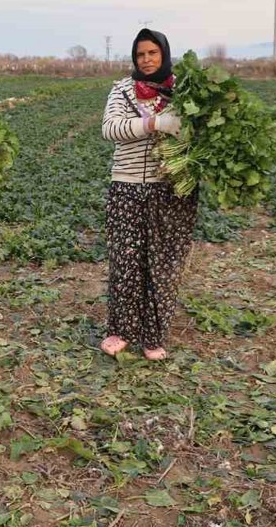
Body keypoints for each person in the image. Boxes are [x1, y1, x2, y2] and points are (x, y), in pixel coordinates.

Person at [99, 28, 197, 361]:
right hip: (127, 186)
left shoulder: (183, 90)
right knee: (126, 260)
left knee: (164, 264)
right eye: (140, 54)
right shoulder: (123, 90)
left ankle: (153, 336)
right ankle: (120, 330)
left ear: (164, 54)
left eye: (153, 53)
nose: (146, 59)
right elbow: (110, 128)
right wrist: (154, 124)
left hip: (170, 189)